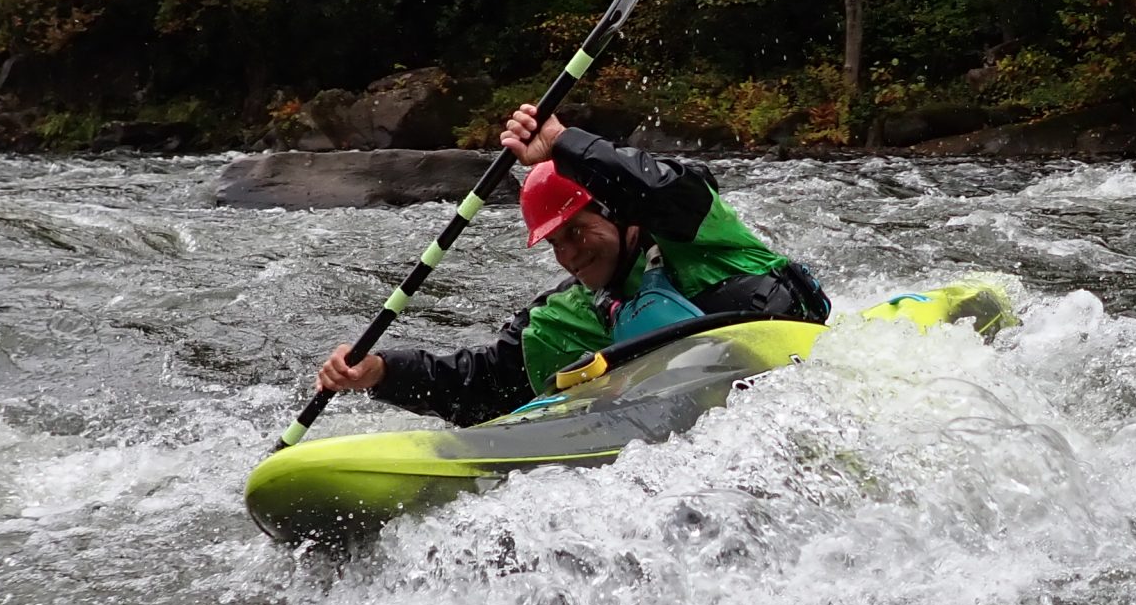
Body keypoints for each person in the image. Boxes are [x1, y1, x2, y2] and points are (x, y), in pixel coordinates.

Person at [314, 104, 830, 425]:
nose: (571, 254)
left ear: (623, 216)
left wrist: (563, 144)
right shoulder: (574, 313)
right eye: (556, 243)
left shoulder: (694, 230)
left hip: (800, 376)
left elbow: (660, 185)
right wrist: (381, 373)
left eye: (579, 231)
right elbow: (485, 384)